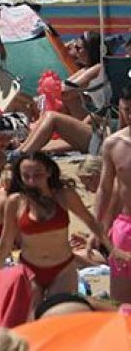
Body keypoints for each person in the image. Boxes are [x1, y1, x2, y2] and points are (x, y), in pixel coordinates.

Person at [0, 151, 125, 294]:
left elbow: (90, 221)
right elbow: (5, 242)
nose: (32, 181)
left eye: (38, 175)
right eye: (26, 176)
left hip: (63, 269)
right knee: (32, 312)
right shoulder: (16, 202)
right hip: (30, 268)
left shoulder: (63, 195)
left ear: (49, 172)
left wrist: (113, 250)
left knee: (58, 310)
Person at [94, 93, 131, 301]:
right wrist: (96, 226)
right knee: (122, 303)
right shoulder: (113, 144)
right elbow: (105, 189)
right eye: (127, 110)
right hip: (125, 228)